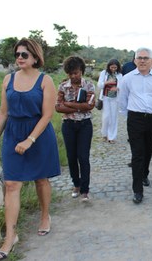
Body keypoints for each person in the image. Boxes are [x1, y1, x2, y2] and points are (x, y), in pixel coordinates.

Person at [0, 38, 61, 260]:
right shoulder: (8, 79)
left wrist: (30, 139)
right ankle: (10, 236)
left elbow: (48, 114)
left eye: (24, 55)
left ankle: (45, 216)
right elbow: (3, 113)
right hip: (12, 134)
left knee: (41, 180)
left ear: (35, 57)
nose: (19, 58)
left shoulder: (45, 80)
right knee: (11, 184)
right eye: (17, 54)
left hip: (38, 135)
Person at [118, 47, 152, 204]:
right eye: (140, 58)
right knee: (137, 154)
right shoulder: (127, 78)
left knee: (149, 150)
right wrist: (130, 115)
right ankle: (137, 190)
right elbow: (122, 100)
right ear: (135, 60)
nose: (143, 60)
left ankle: (144, 174)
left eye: (146, 58)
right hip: (135, 119)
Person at [55, 56, 95, 201]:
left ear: (82, 71)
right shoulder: (62, 86)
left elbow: (90, 106)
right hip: (68, 126)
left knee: (83, 157)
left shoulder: (89, 86)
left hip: (84, 125)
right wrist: (79, 107)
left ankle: (85, 190)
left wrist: (69, 105)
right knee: (71, 157)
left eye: (76, 73)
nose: (73, 76)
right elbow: (58, 107)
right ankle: (76, 184)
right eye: (71, 73)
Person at [97, 59, 123, 143]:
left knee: (113, 117)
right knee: (106, 117)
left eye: (115, 67)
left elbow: (122, 86)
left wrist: (117, 88)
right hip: (105, 97)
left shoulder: (119, 75)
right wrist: (107, 82)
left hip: (115, 98)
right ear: (109, 66)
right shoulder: (104, 73)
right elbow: (99, 85)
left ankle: (111, 137)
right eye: (112, 67)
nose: (113, 69)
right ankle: (104, 134)